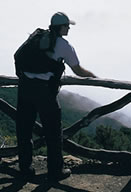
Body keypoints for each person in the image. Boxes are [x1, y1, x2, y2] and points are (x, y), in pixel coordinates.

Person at [15, 12, 96, 182]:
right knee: (53, 132)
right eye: (67, 26)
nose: (69, 29)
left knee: (24, 130)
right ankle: (55, 171)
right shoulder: (63, 45)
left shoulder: (37, 37)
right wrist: (95, 77)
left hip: (24, 88)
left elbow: (18, 55)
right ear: (60, 27)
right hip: (44, 92)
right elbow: (78, 70)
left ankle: (25, 168)